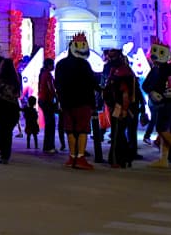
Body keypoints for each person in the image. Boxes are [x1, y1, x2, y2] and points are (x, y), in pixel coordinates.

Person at [55, 34, 99, 170]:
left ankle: (72, 156)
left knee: (70, 130)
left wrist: (60, 100)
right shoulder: (84, 65)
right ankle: (80, 157)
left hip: (66, 102)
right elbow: (92, 83)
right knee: (82, 130)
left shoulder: (61, 64)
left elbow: (57, 84)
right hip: (83, 101)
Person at [103, 53, 137, 168]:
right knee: (119, 134)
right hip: (120, 107)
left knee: (117, 134)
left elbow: (125, 94)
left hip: (120, 107)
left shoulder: (121, 73)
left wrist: (124, 109)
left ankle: (117, 159)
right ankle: (125, 157)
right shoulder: (123, 71)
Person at [0, 57, 21, 164]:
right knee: (8, 132)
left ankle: (3, 153)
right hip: (12, 107)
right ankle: (6, 154)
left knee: (1, 130)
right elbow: (18, 93)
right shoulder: (15, 78)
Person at [38, 55, 58, 154]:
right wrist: (56, 97)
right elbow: (51, 88)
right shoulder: (47, 75)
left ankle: (47, 145)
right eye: (52, 65)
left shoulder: (43, 74)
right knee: (51, 124)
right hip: (47, 101)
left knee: (49, 123)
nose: (53, 66)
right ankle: (49, 146)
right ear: (49, 65)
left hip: (43, 100)